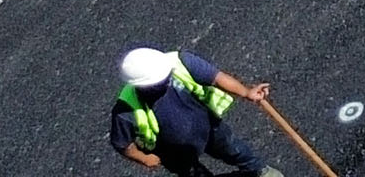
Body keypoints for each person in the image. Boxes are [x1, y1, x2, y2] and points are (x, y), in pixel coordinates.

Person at [109, 47, 285, 177]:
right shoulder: (126, 110)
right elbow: (122, 143)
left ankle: (260, 171)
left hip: (209, 126)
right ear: (142, 85)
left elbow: (216, 77)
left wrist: (246, 92)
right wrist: (143, 158)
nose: (167, 77)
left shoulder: (179, 63)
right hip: (173, 151)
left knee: (235, 149)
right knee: (193, 174)